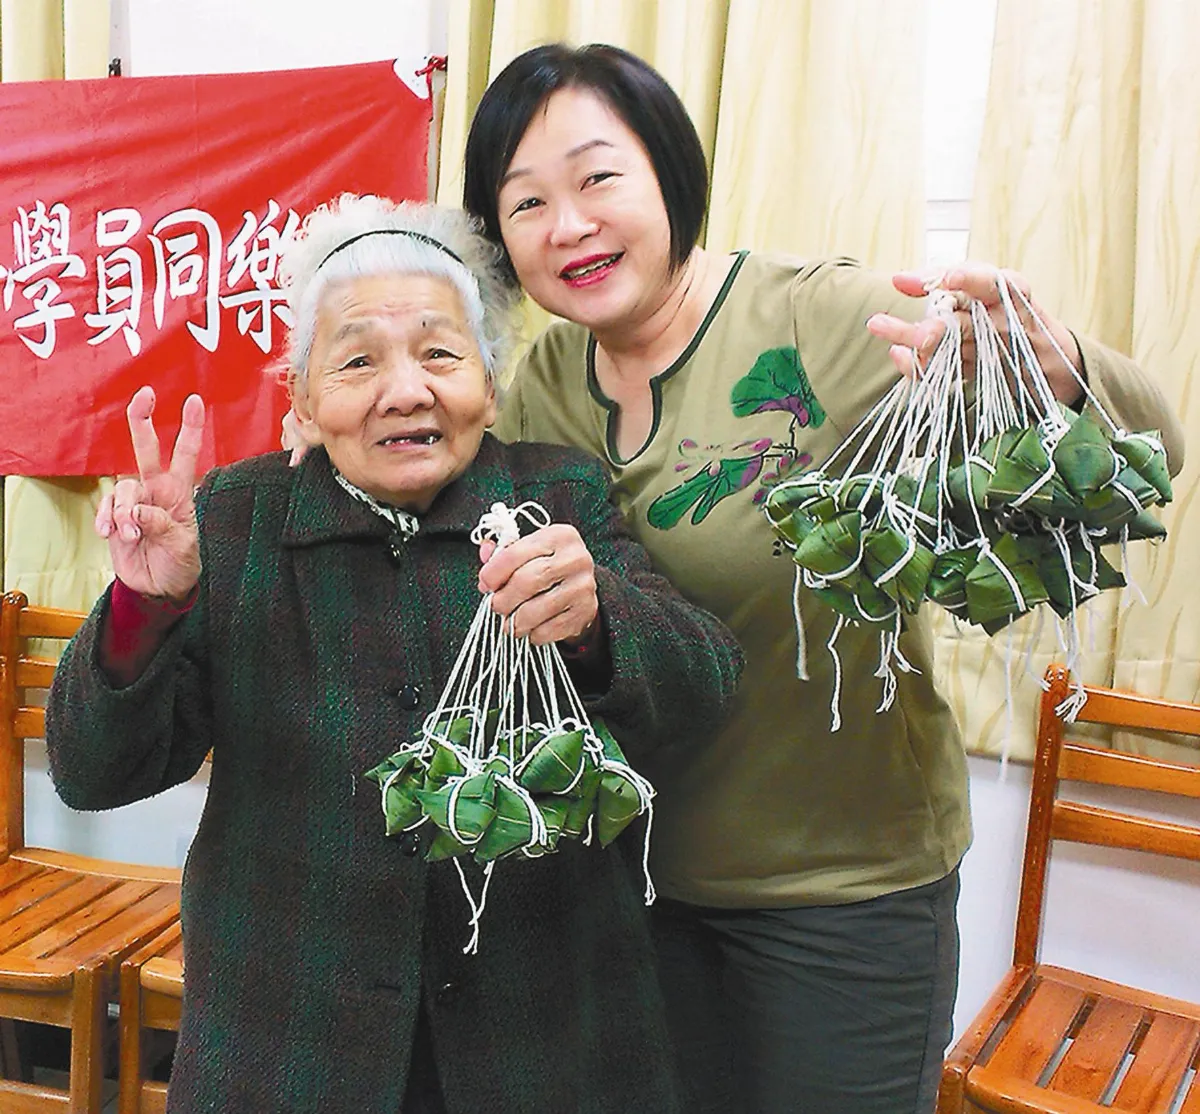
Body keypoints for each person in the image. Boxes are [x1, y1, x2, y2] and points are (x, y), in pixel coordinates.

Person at [459, 42, 1187, 1114]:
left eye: (598, 177)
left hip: (845, 900)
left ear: (670, 171)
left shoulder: (821, 320)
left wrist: (1055, 363)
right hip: (641, 886)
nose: (567, 224)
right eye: (526, 202)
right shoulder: (546, 388)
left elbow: (1154, 453)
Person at [45, 194, 744, 1114]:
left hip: (546, 1040)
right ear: (302, 396)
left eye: (440, 353)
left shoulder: (558, 496)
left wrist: (599, 616)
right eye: (359, 359)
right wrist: (146, 600)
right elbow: (94, 771)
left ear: (489, 385)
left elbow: (709, 686)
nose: (406, 389)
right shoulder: (233, 520)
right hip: (288, 1042)